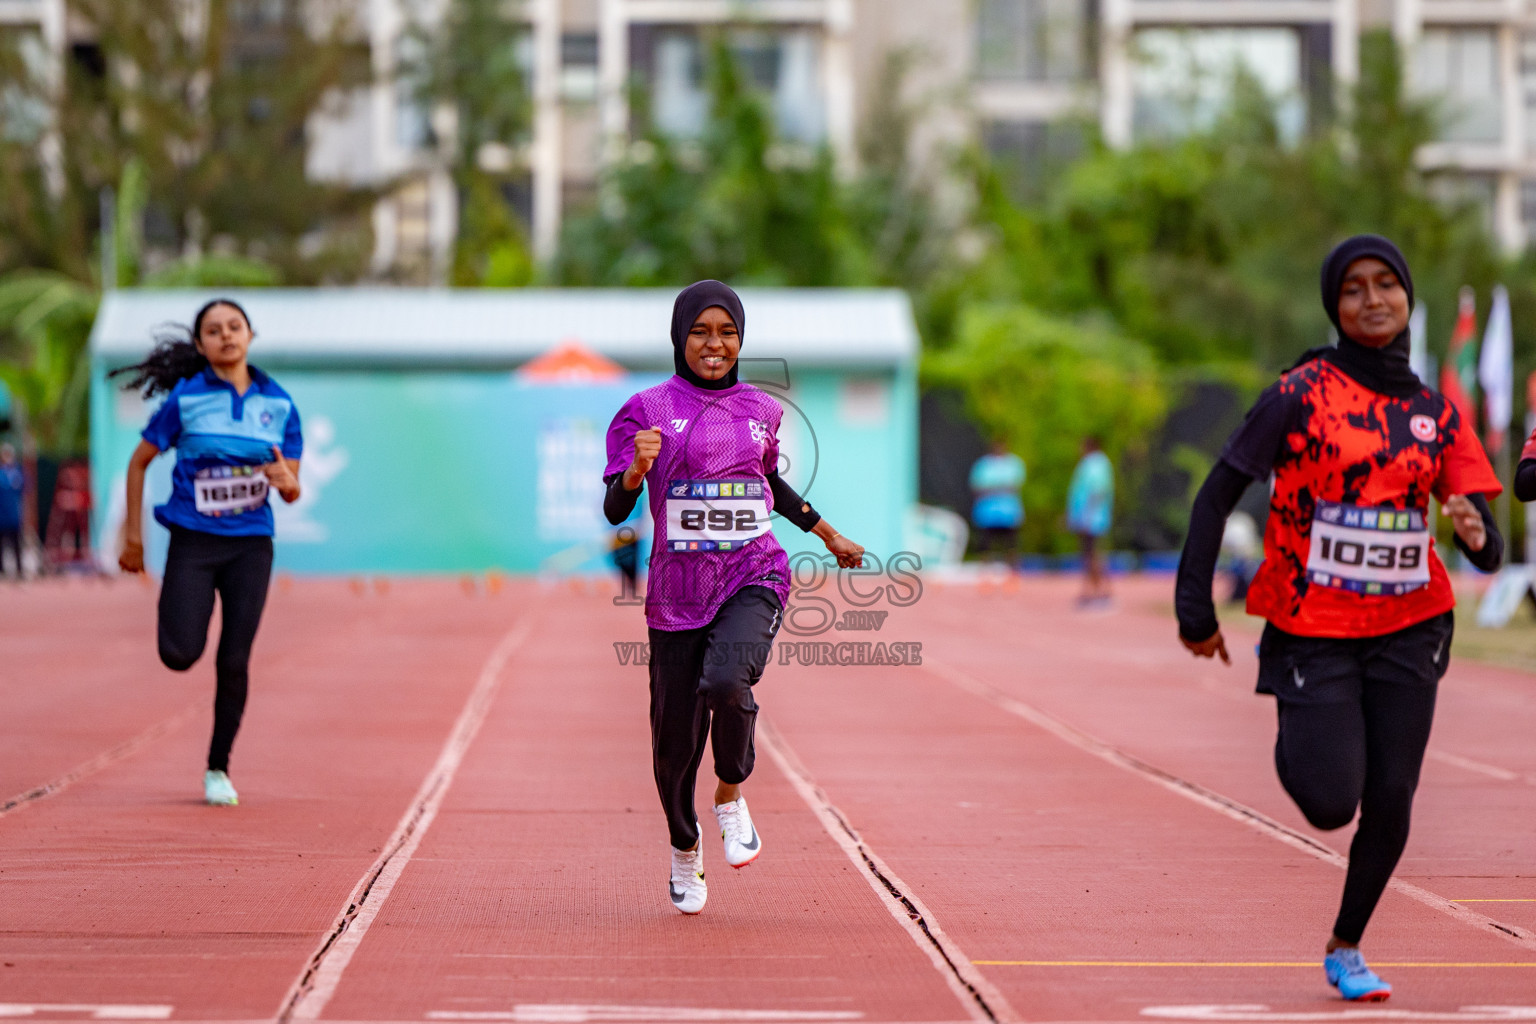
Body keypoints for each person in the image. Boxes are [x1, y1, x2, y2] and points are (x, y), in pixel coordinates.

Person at [1175, 236, 1503, 1002]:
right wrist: (1195, 608)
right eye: (1353, 289)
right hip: (1311, 625)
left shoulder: (1435, 411)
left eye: (1386, 284)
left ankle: (1347, 944)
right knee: (1330, 801)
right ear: (1335, 307)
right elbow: (1217, 493)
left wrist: (1476, 531)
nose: (1372, 299)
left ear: (1407, 297)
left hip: (1412, 625)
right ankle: (1306, 729)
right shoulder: (1300, 391)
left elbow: (1486, 547)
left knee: (1392, 797)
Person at [603, 280, 865, 915]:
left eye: (726, 332)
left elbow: (767, 482)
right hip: (675, 593)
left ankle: (729, 792)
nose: (714, 344)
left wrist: (826, 534)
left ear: (741, 340)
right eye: (700, 332)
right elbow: (616, 509)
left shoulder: (761, 410)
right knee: (672, 745)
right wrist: (637, 473)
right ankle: (684, 848)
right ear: (679, 338)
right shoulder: (645, 409)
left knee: (726, 683)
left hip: (753, 573)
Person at [112, 299, 303, 807]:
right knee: (179, 655)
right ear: (200, 346)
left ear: (249, 335)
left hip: (251, 546)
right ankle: (177, 619)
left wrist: (290, 485)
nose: (226, 336)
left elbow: (291, 486)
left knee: (235, 659)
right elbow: (138, 463)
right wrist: (134, 536)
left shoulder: (280, 405)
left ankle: (218, 768)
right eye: (214, 331)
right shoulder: (186, 399)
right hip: (193, 542)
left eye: (234, 327)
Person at [1066, 437, 1113, 603]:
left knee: (1092, 555)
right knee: (1090, 554)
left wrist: (1087, 516)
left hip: (1092, 518)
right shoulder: (1094, 463)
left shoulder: (1095, 464)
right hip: (1090, 517)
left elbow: (1097, 491)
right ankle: (1095, 590)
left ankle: (1099, 591)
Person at [968, 440, 1025, 563]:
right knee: (985, 543)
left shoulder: (1013, 463)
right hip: (987, 513)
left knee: (1011, 544)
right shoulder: (983, 464)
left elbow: (1015, 487)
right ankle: (984, 569)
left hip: (1008, 512)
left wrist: (992, 488)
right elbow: (977, 487)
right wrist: (1001, 487)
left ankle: (1012, 569)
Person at [44, 458, 92, 569]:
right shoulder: (63, 489)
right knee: (68, 538)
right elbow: (61, 500)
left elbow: (87, 501)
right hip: (69, 521)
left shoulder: (82, 486)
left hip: (78, 520)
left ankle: (80, 558)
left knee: (81, 537)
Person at [0, 443, 23, 579]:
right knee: (1, 546)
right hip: (2, 517)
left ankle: (19, 570)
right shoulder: (1, 474)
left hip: (14, 516)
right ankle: (2, 571)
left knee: (16, 544)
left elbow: (26, 488)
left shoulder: (17, 473)